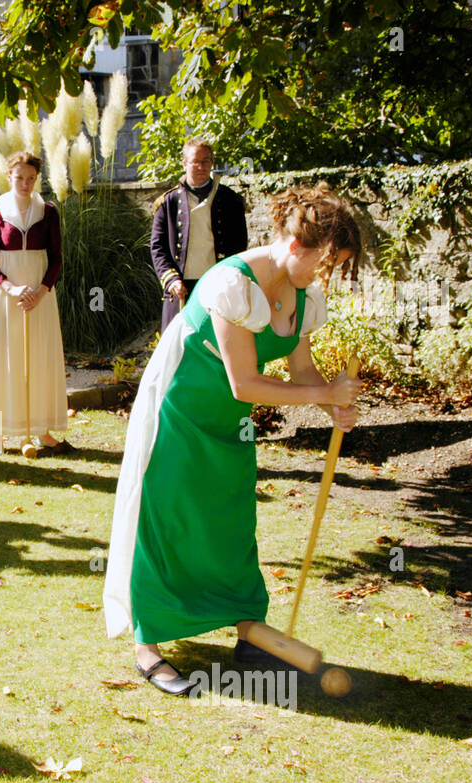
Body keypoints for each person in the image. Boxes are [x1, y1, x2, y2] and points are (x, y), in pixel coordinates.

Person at [104, 182, 362, 695]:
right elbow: (243, 382)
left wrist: (333, 400)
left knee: (231, 520)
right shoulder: (230, 283)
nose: (325, 276)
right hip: (179, 411)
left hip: (230, 421)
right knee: (169, 519)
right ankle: (148, 645)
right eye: (324, 262)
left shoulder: (305, 294)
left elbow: (302, 368)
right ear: (295, 245)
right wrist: (322, 393)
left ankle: (249, 631)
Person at [0, 152, 70, 457]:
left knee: (39, 357)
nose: (26, 183)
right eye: (19, 178)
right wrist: (12, 288)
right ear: (9, 176)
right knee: (4, 357)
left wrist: (41, 291)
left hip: (40, 296)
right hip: (7, 297)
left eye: (31, 178)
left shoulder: (49, 212)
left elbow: (56, 258)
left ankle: (41, 429)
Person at [151, 138, 248, 332]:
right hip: (181, 289)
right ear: (185, 163)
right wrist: (171, 280)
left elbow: (239, 245)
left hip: (218, 286)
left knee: (217, 346)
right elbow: (158, 248)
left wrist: (228, 278)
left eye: (206, 161)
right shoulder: (167, 203)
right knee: (180, 350)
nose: (201, 166)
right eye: (196, 161)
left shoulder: (230, 200)